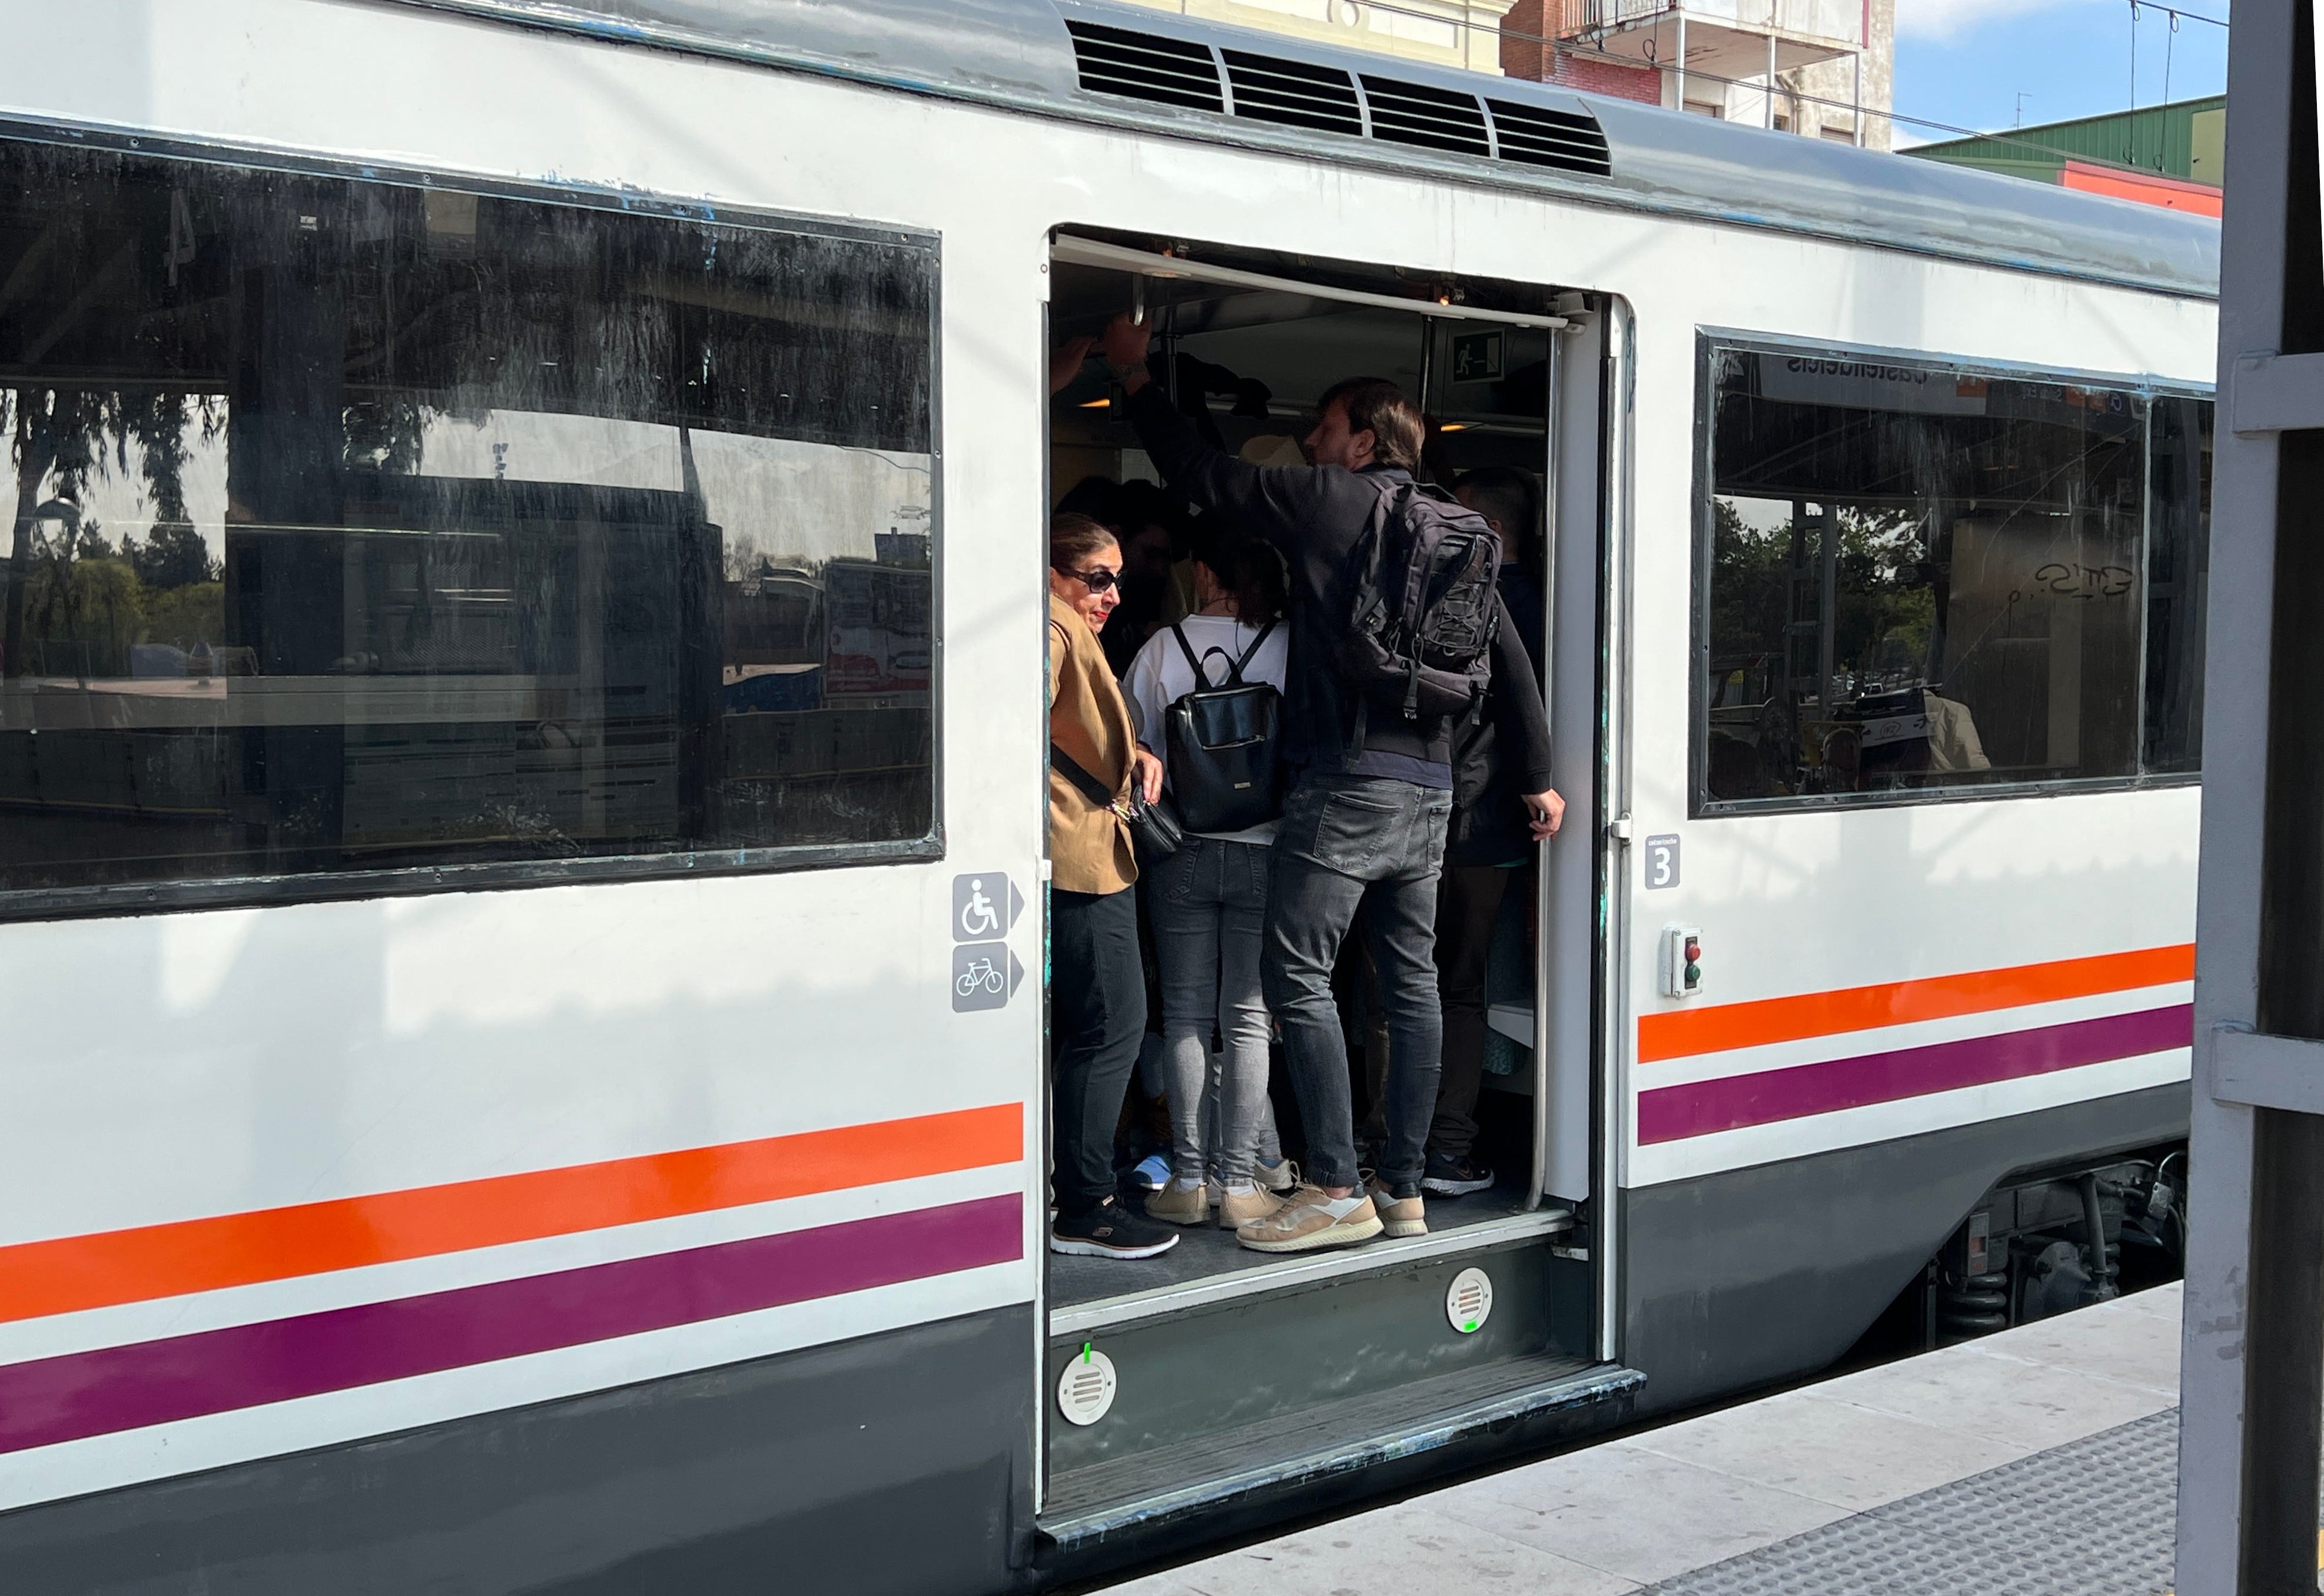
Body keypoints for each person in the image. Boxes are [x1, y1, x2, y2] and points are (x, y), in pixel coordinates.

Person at [1099, 313, 1564, 1255]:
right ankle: (1403, 1191)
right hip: (1431, 787)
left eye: (1325, 427)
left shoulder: (1328, 500)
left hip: (1345, 780)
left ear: (1363, 440)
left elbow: (1202, 478)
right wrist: (1543, 778)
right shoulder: (1465, 530)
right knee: (1413, 983)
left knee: (1294, 976)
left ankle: (1336, 1186)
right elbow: (1509, 659)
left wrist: (1135, 378)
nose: (1312, 441)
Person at [1121, 530, 1300, 1231]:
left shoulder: (1163, 648)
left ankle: (1189, 1180)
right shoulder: (1289, 645)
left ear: (1204, 570)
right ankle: (1241, 1186)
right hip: (1266, 848)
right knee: (1250, 1019)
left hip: (1184, 850)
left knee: (1188, 1017)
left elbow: (1133, 745)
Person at [1046, 512, 1178, 1261]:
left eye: (1117, 580)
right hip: (1082, 858)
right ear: (1053, 572)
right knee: (1114, 1027)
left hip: (1082, 850)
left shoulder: (1063, 629)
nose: (1113, 595)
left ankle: (1082, 1191)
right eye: (1098, 578)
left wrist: (1135, 751)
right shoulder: (1055, 630)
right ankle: (1088, 1204)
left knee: (1092, 1031)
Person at [1422, 467, 1552, 1199]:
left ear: (1490, 533)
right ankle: (1448, 1149)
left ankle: (1408, 1140)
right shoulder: (1553, 604)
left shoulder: (1476, 596)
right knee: (1461, 986)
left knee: (1416, 985)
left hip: (1445, 814)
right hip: (1498, 824)